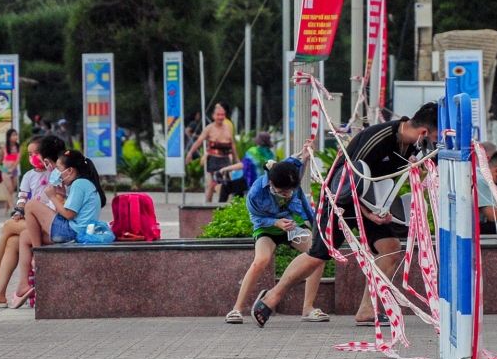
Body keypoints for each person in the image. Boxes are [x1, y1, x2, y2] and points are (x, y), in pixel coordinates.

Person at [251, 102, 438, 329]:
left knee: (390, 249)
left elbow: (433, 163)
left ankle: (367, 311)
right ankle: (271, 297)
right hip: (341, 198)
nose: (436, 144)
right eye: (436, 138)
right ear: (424, 133)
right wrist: (369, 214)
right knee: (318, 254)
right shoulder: (377, 138)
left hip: (372, 202)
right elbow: (349, 181)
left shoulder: (413, 144)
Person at [226, 159, 326, 324]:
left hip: (291, 226)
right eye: (282, 191)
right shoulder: (256, 192)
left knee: (318, 253)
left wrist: (317, 227)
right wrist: (275, 223)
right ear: (271, 183)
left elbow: (306, 207)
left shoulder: (290, 179)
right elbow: (256, 217)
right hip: (267, 228)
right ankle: (236, 309)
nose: (287, 194)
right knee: (260, 260)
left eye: (290, 191)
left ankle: (308, 308)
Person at [0, 135, 65, 309]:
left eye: (36, 153)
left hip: (50, 224)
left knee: (8, 226)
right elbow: (23, 197)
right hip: (38, 221)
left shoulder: (57, 173)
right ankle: (0, 293)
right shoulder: (30, 175)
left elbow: (56, 204)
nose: (32, 157)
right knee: (13, 241)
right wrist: (20, 211)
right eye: (29, 154)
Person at [10, 150, 107, 308]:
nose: (57, 174)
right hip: (74, 231)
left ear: (70, 171)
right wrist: (62, 195)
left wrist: (53, 197)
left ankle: (38, 253)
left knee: (31, 205)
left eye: (59, 169)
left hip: (72, 232)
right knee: (25, 236)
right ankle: (22, 286)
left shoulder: (80, 184)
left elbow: (69, 214)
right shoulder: (84, 183)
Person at [186, 103, 236, 203]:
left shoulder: (228, 127)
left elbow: (232, 144)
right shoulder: (209, 128)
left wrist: (237, 159)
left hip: (225, 159)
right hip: (213, 159)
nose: (220, 117)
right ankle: (208, 205)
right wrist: (190, 153)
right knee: (212, 184)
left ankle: (224, 205)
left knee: (226, 184)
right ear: (213, 116)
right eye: (218, 115)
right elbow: (199, 141)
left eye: (222, 115)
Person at [1, 129, 21, 212]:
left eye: (16, 135)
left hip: (14, 170)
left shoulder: (18, 147)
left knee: (12, 190)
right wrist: (2, 169)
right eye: (13, 135)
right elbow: (1, 160)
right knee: (9, 188)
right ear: (8, 137)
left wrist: (12, 169)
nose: (15, 137)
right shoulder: (4, 147)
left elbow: (18, 159)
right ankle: (12, 208)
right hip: (5, 169)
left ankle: (7, 206)